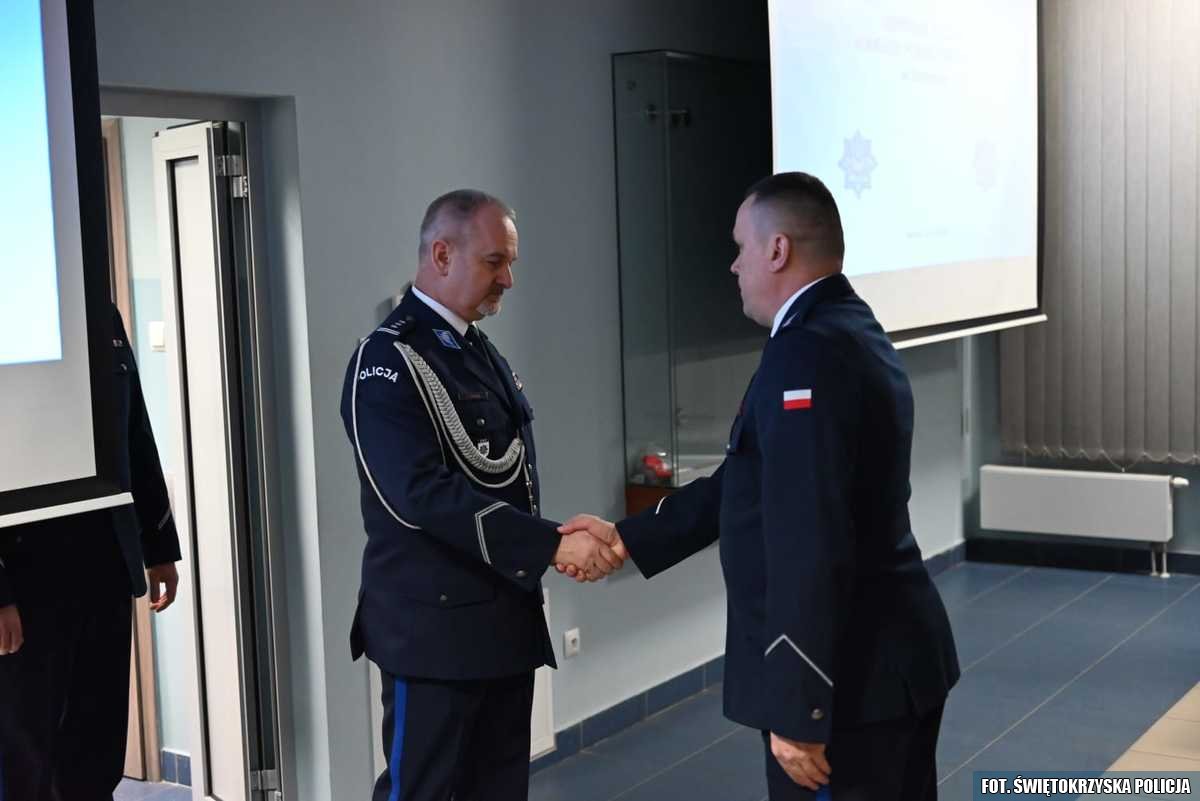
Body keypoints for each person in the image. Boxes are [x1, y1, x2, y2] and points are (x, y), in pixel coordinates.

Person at [559, 172, 960, 800]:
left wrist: (802, 707)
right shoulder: (843, 328)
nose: (734, 265)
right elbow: (748, 480)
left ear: (777, 250)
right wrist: (627, 538)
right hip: (883, 664)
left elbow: (809, 536)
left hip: (850, 686)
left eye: (741, 247)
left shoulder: (808, 353)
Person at [341, 189, 622, 801]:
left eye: (510, 263)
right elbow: (420, 495)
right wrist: (551, 545)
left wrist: (545, 545)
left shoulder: (473, 349)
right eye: (495, 262)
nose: (508, 280)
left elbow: (505, 478)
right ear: (442, 255)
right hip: (434, 636)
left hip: (501, 623)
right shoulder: (386, 360)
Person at [0, 304, 182, 801]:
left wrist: (158, 544)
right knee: (24, 754)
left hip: (104, 564)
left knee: (96, 744)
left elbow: (135, 432)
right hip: (24, 576)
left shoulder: (101, 314)